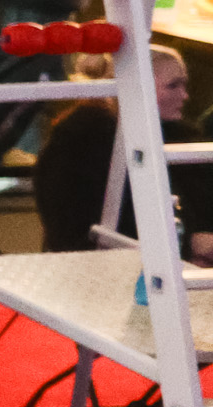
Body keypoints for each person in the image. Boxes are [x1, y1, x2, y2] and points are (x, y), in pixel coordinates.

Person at [36, 46, 213, 258]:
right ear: (136, 86)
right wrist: (188, 244)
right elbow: (76, 225)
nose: (184, 96)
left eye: (184, 85)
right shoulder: (83, 141)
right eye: (173, 86)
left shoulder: (179, 136)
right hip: (101, 264)